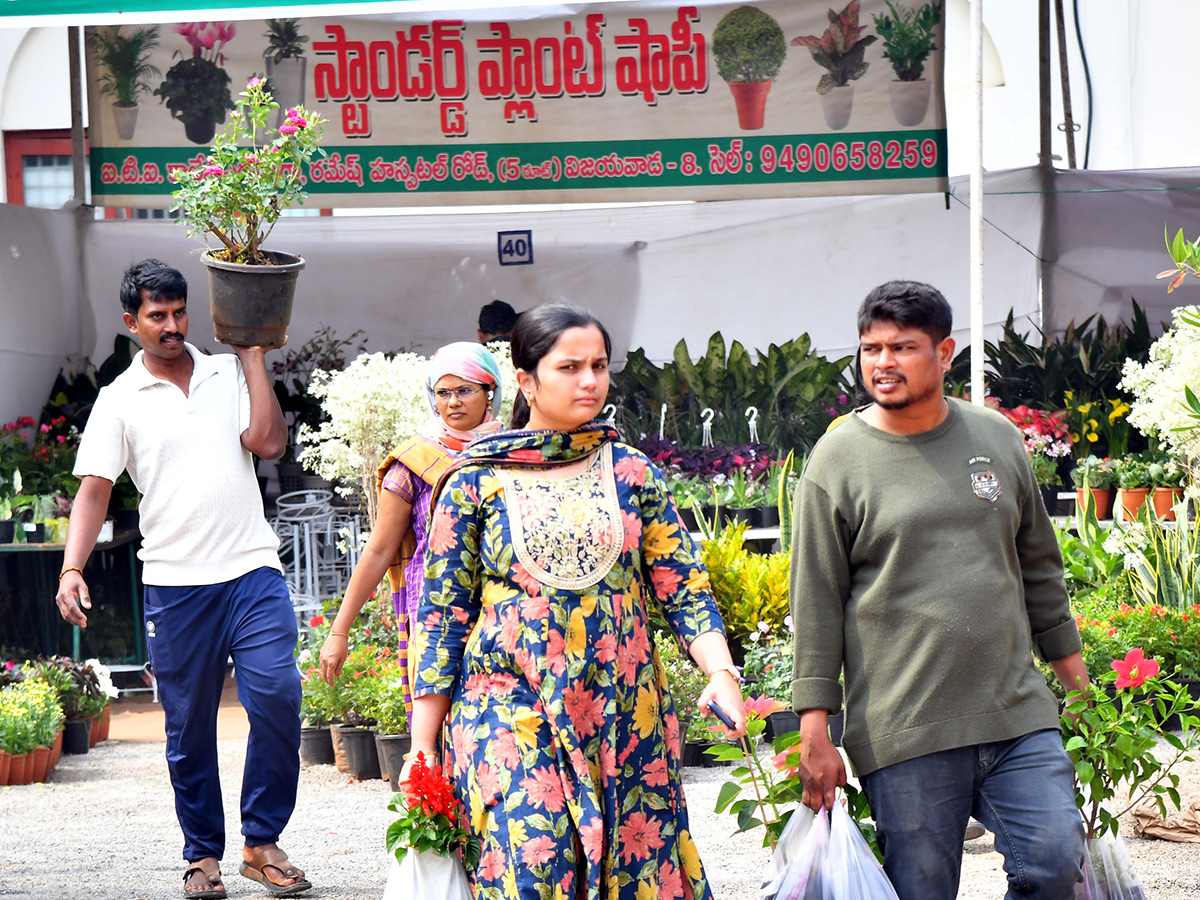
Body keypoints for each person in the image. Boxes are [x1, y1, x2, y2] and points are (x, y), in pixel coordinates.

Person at [405, 301, 746, 899]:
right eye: (570, 367)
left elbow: (682, 585)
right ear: (528, 381)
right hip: (508, 706)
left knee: (635, 868)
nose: (589, 380)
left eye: (599, 365)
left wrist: (719, 670)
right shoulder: (473, 482)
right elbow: (442, 616)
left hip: (623, 709)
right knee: (535, 868)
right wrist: (421, 747)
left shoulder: (632, 474)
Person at [789, 280, 1088, 900]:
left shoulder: (997, 438)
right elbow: (815, 598)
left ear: (945, 352)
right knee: (921, 890)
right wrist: (816, 728)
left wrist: (1076, 680)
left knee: (1057, 861)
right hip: (905, 726)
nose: (883, 363)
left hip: (1016, 712)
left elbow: (1038, 564)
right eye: (871, 349)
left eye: (902, 347)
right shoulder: (837, 459)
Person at [55, 259, 311, 899]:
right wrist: (71, 566)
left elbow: (269, 443)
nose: (171, 326)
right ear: (131, 322)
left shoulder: (227, 371)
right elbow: (93, 491)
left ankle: (261, 842)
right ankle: (203, 855)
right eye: (156, 316)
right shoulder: (118, 399)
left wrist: (251, 356)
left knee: (278, 697)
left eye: (178, 313)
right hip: (175, 585)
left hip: (252, 569)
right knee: (188, 729)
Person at [317, 342, 504, 708]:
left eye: (465, 390)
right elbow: (380, 549)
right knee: (440, 731)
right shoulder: (414, 461)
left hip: (502, 611)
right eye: (443, 393)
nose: (453, 402)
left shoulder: (511, 455)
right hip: (435, 614)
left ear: (490, 393)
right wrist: (339, 630)